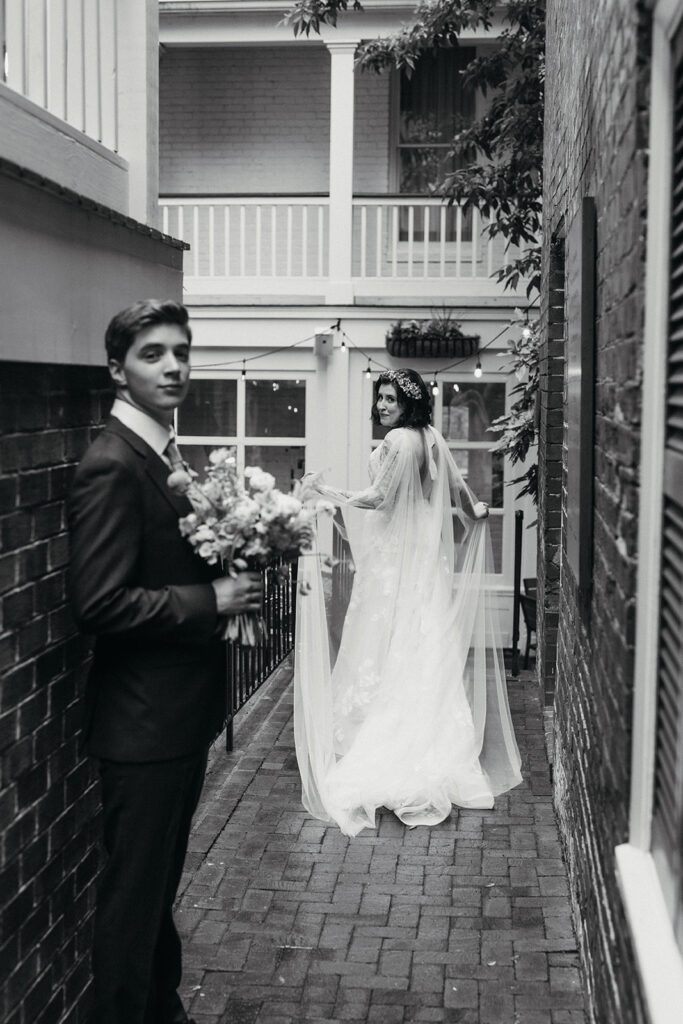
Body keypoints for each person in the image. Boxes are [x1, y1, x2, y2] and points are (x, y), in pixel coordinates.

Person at [68, 299, 263, 1024]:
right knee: (131, 905)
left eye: (181, 350)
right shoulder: (112, 465)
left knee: (154, 898)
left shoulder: (162, 451)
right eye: (153, 353)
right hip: (141, 726)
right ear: (117, 369)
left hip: (177, 718)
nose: (174, 365)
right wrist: (207, 597)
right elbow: (98, 603)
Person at [293, 368, 522, 837]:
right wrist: (476, 509)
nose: (381, 406)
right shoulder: (432, 436)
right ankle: (434, 735)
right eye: (379, 397)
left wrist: (324, 493)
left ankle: (390, 737)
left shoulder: (400, 441)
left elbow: (379, 498)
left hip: (395, 563)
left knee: (384, 642)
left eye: (390, 399)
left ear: (408, 404)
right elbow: (459, 490)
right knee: (421, 643)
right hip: (424, 561)